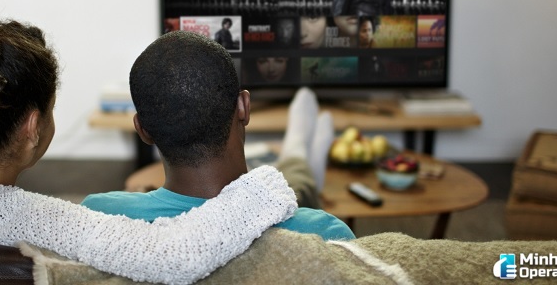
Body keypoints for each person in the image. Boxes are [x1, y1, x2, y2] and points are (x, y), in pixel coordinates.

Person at [0, 11, 299, 284]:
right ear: (32, 127)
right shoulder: (23, 217)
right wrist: (265, 186)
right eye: (50, 110)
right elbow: (175, 255)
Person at [82, 31, 355, 241]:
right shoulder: (325, 234)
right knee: (294, 186)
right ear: (243, 107)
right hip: (270, 208)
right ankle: (298, 153)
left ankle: (299, 155)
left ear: (142, 129)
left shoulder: (95, 217)